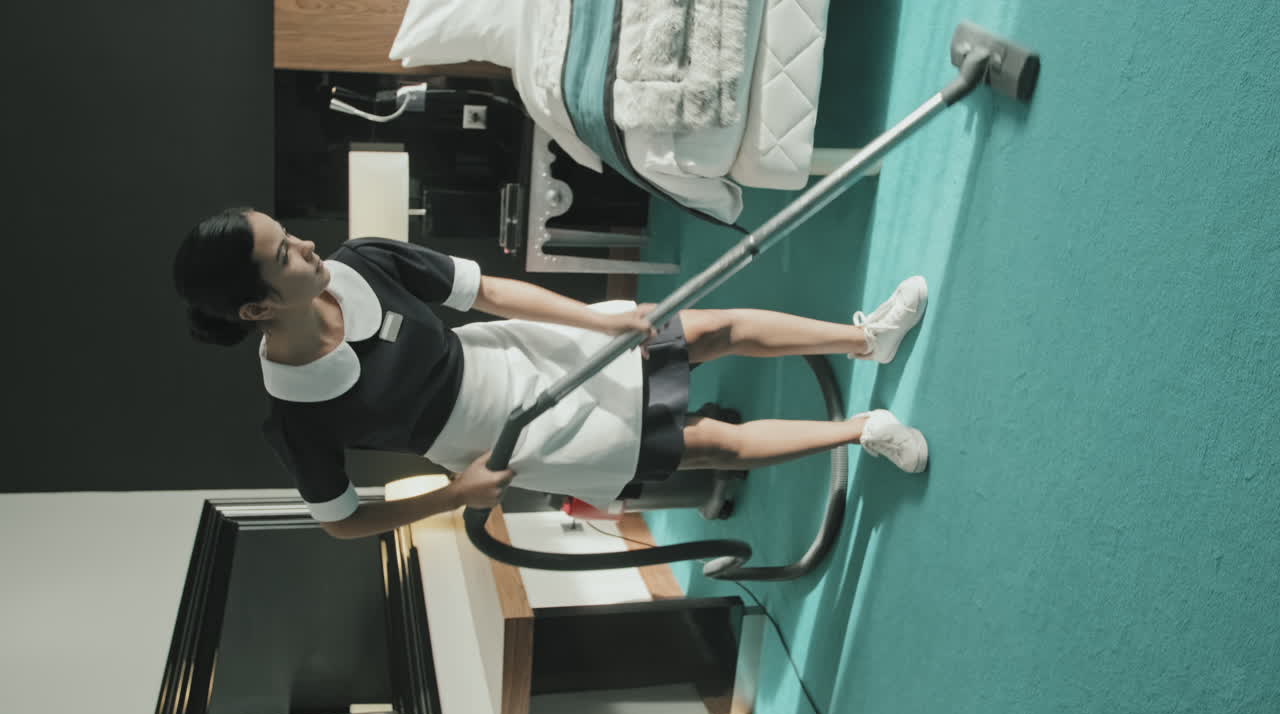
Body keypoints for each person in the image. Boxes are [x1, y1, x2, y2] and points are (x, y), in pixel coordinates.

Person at [173, 207, 929, 540]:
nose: (308, 246)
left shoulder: (363, 261)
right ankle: (862, 433)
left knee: (709, 330)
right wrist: (455, 494)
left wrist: (597, 320)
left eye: (288, 233)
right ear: (254, 311)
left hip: (514, 351)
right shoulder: (297, 415)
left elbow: (491, 292)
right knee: (706, 447)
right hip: (509, 441)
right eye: (285, 257)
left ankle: (868, 339)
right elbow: (341, 524)